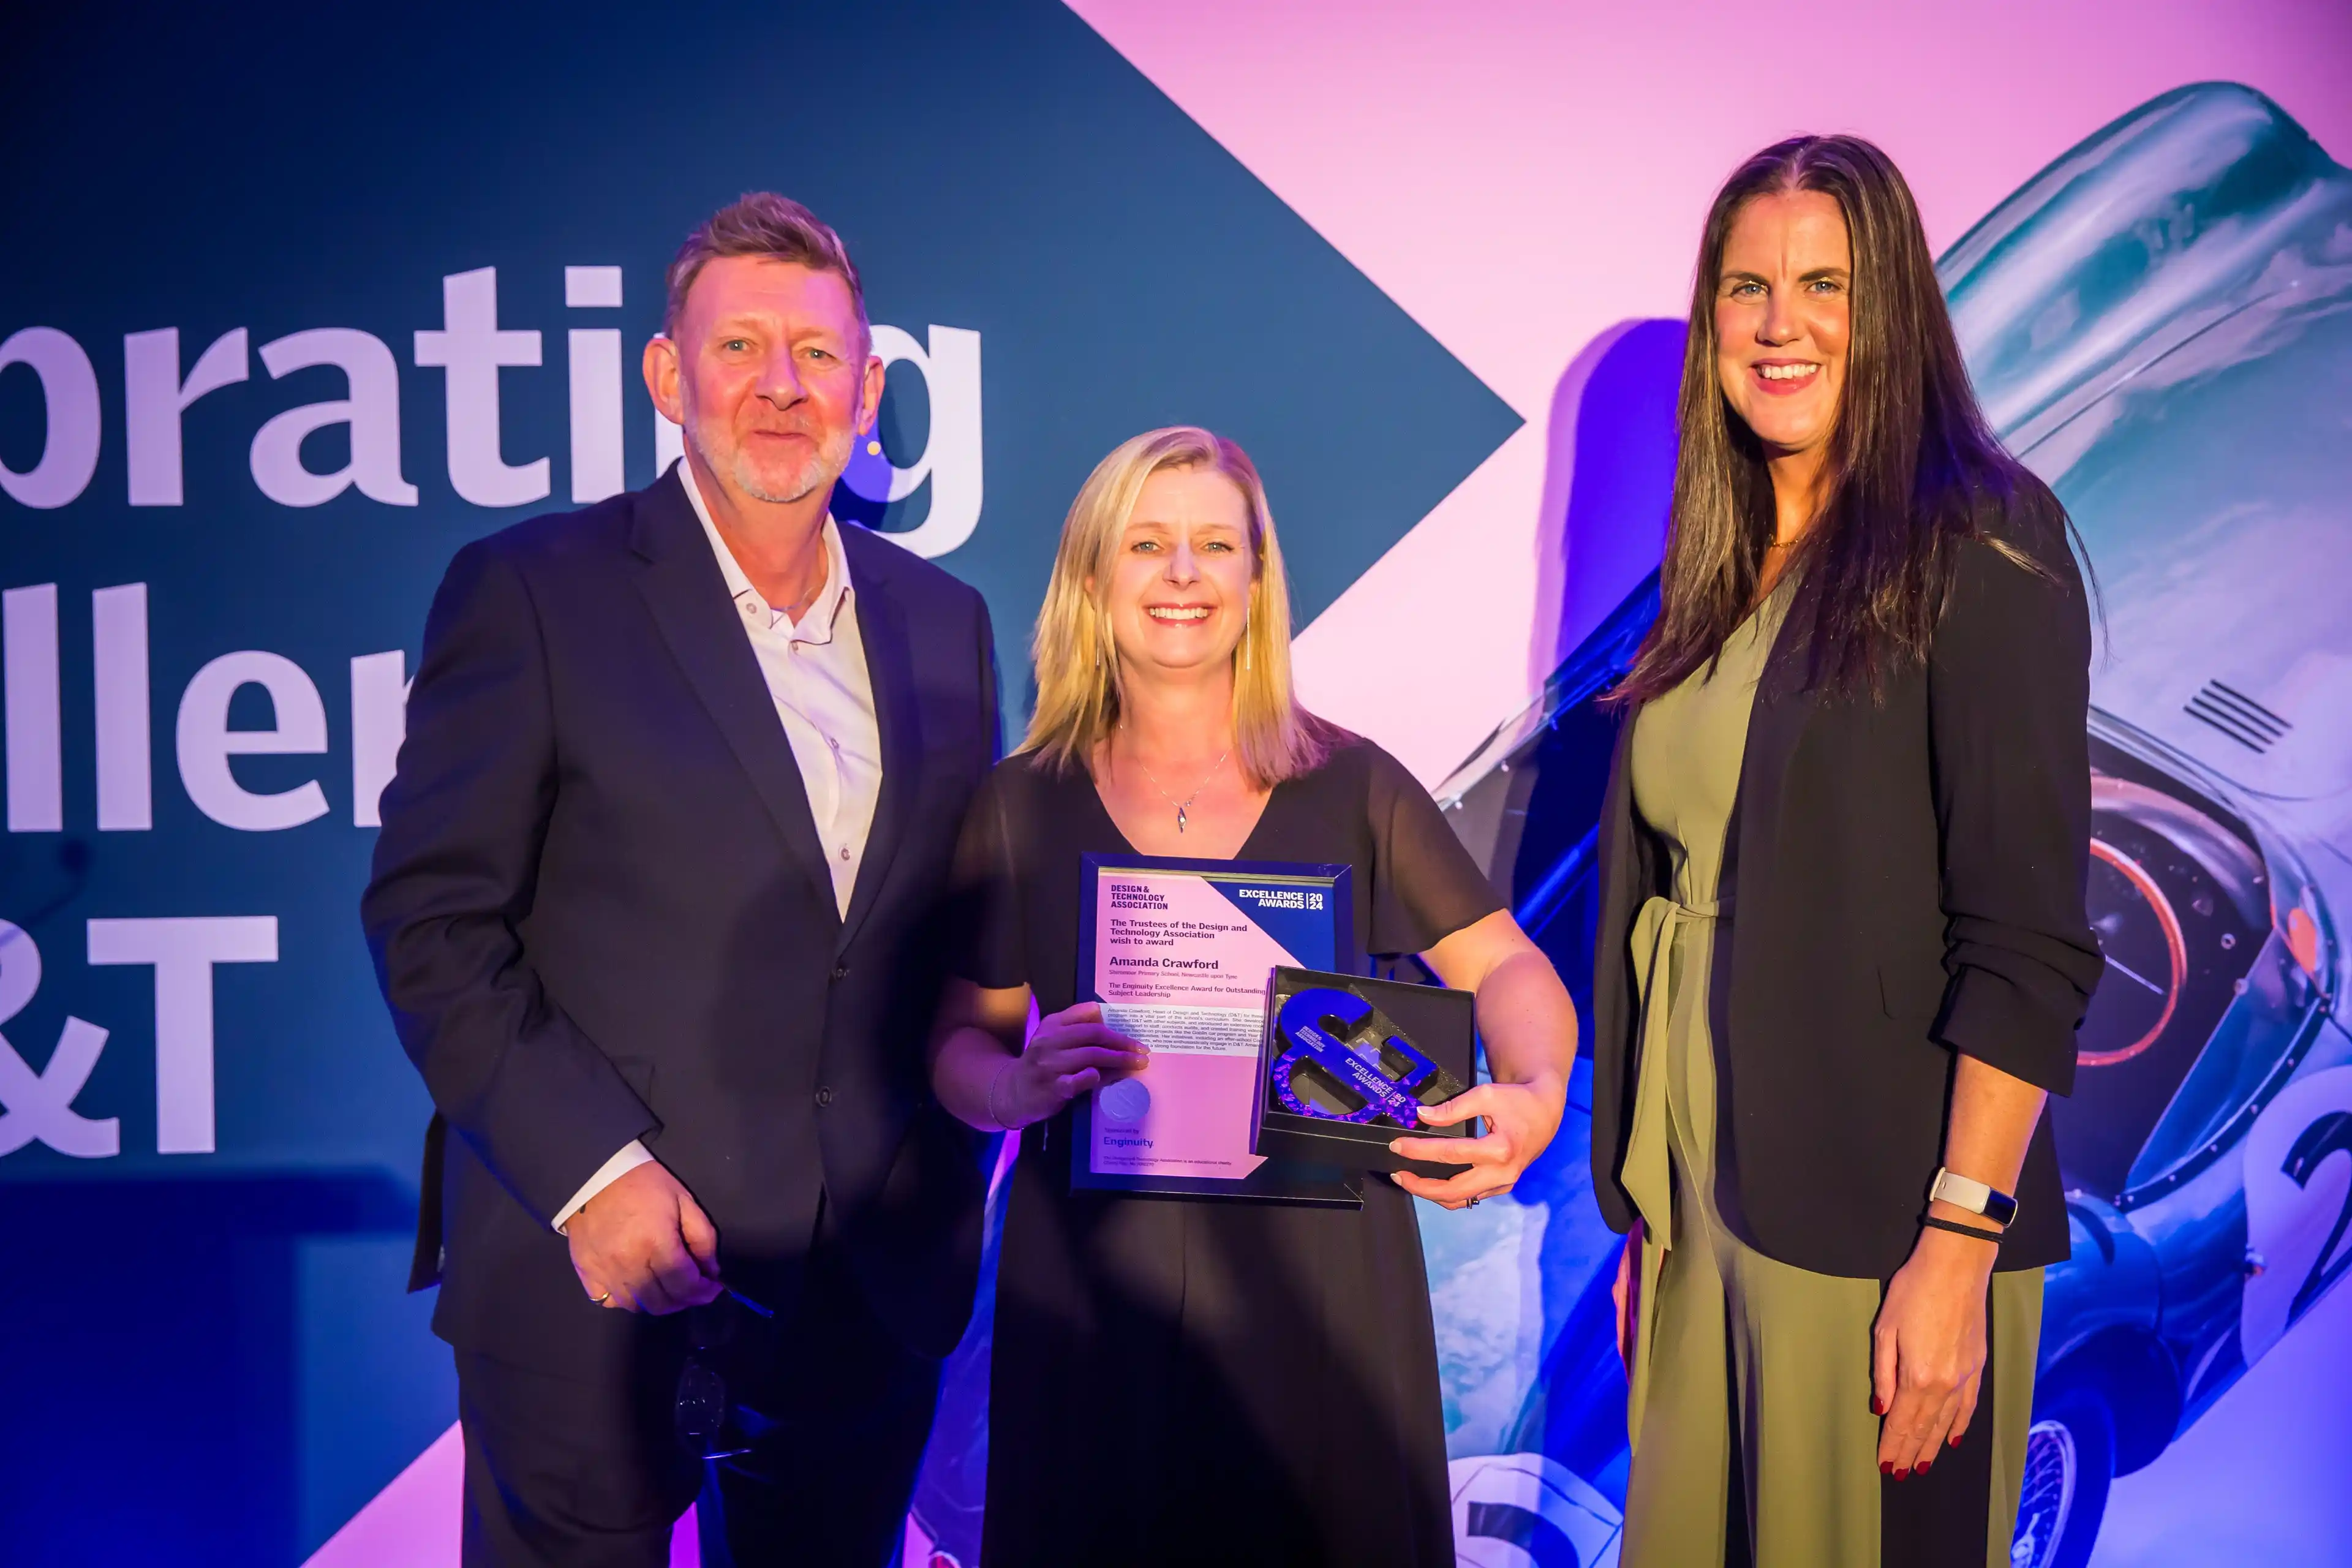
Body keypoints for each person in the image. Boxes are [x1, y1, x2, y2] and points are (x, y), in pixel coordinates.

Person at [361, 193, 999, 1567]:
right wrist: (591, 1176)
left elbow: (949, 932)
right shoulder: (534, 591)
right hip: (593, 1274)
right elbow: (433, 922)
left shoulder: (945, 623)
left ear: (868, 392)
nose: (782, 386)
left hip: (864, 1294)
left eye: (818, 355)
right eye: (740, 347)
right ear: (668, 375)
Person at [929, 426, 1580, 1567]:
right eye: (1147, 544)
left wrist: (1534, 1092)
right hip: (1095, 1296)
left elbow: (1510, 967)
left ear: (1257, 580)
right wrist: (1013, 1087)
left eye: (1215, 545)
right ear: (1093, 578)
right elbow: (957, 1047)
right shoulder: (1018, 803)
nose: (1182, 573)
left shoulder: (1354, 784)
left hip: (1324, 1298)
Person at [1591, 135, 2104, 1567]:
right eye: (1746, 287)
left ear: (1894, 308)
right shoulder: (1712, 567)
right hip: (1699, 1211)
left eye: (1825, 283)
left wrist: (1960, 1243)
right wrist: (1652, 1217)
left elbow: (2025, 937)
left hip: (1886, 1224)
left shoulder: (1983, 538)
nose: (1780, 324)